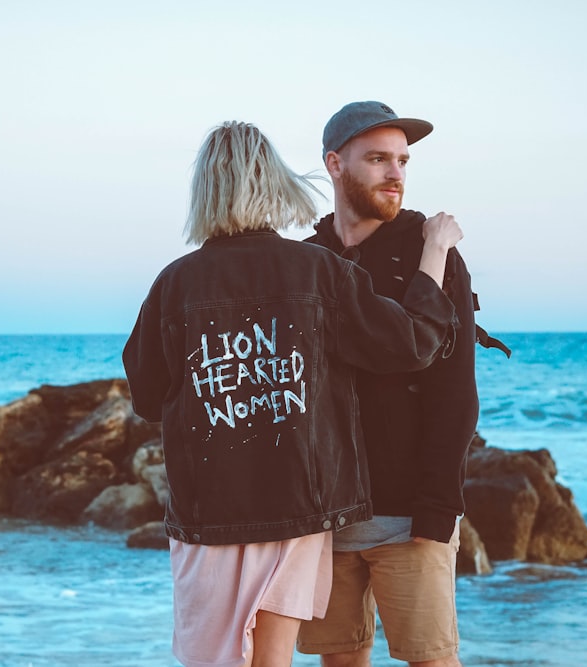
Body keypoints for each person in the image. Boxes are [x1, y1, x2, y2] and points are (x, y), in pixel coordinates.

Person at [122, 120, 466, 667]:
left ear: (203, 191)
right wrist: (435, 257)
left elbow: (146, 395)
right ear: (274, 182)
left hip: (208, 513)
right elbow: (412, 342)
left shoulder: (174, 284)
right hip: (297, 511)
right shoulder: (316, 269)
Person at [296, 101, 480, 667]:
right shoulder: (305, 261)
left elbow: (456, 392)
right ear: (334, 163)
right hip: (325, 517)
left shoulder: (432, 254)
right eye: (377, 159)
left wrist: (438, 507)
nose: (396, 173)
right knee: (340, 660)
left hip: (408, 515)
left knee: (431, 659)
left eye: (402, 160)